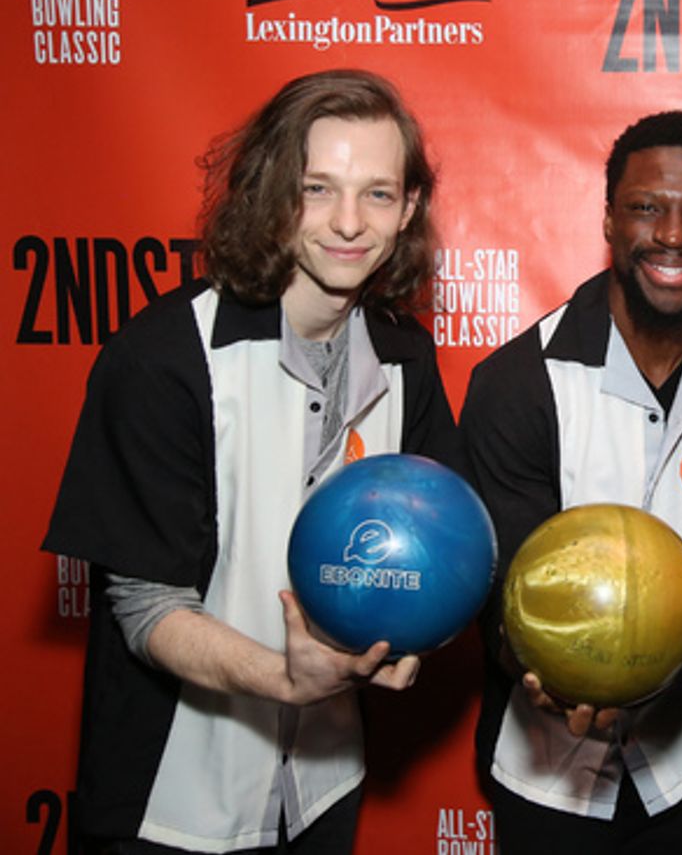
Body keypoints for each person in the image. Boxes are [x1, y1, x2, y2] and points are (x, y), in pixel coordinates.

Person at [42, 69, 454, 853]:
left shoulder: (407, 359)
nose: (346, 222)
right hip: (170, 801)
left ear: (407, 211)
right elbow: (145, 607)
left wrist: (415, 636)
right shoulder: (163, 358)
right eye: (317, 188)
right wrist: (285, 677)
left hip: (323, 787)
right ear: (273, 194)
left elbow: (443, 549)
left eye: (376, 193)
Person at [456, 111, 682, 853]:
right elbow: (498, 591)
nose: (673, 234)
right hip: (545, 777)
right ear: (608, 216)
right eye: (646, 207)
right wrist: (555, 674)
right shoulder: (517, 383)